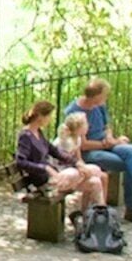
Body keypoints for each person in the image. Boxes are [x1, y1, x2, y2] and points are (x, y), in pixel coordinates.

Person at [15, 100, 109, 233]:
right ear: (41, 116)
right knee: (83, 172)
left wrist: (77, 163)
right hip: (43, 182)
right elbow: (21, 162)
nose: (50, 119)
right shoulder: (26, 136)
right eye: (49, 116)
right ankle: (85, 217)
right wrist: (45, 168)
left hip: (54, 178)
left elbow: (56, 152)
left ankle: (100, 220)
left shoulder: (39, 133)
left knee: (95, 181)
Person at [72, 79, 132, 223]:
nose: (106, 98)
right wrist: (107, 144)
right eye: (104, 95)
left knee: (131, 150)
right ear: (96, 95)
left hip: (106, 143)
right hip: (90, 152)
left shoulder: (99, 106)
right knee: (129, 163)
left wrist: (110, 138)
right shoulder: (75, 111)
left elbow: (107, 126)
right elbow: (83, 145)